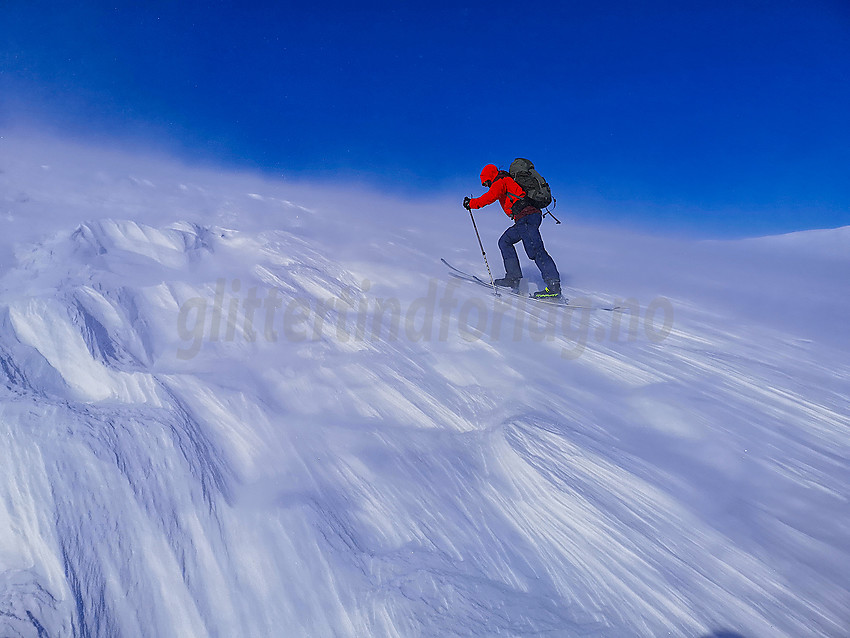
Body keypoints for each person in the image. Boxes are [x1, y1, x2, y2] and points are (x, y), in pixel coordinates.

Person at [463, 163, 561, 299]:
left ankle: (553, 287)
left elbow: (490, 196)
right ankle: (513, 278)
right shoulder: (504, 180)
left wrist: (472, 203)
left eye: (486, 182)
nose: (486, 185)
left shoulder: (501, 180)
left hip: (527, 216)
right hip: (524, 219)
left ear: (490, 176)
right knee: (505, 241)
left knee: (535, 250)